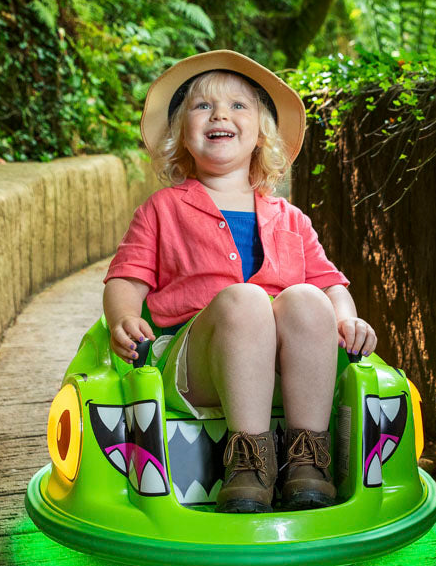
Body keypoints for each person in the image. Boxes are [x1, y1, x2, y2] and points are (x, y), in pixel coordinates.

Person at [103, 50, 377, 514]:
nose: (220, 115)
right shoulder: (162, 210)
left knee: (307, 298)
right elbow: (125, 277)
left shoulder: (291, 218)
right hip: (199, 367)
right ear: (182, 135)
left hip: (287, 374)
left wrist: (347, 319)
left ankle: (307, 459)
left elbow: (331, 285)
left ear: (261, 135)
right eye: (202, 106)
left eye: (237, 106)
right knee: (246, 301)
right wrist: (124, 317)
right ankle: (248, 463)